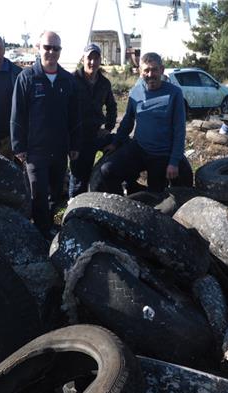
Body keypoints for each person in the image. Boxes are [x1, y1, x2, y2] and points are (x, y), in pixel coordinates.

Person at [11, 31, 81, 238]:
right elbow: (17, 115)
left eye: (55, 48)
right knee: (38, 194)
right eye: (47, 47)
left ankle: (50, 228)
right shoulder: (27, 78)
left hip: (59, 149)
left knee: (55, 192)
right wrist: (18, 146)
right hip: (35, 150)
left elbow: (75, 117)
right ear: (38, 48)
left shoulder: (67, 80)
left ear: (60, 51)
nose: (51, 52)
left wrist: (75, 145)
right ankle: (40, 232)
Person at [100, 52, 188, 193]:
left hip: (161, 154)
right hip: (139, 149)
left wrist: (174, 162)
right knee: (107, 170)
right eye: (146, 70)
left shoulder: (174, 93)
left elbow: (179, 130)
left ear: (162, 70)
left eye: (154, 69)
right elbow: (128, 121)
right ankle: (121, 206)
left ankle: (147, 200)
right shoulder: (135, 92)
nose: (150, 74)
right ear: (140, 72)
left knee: (155, 195)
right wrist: (115, 143)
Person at [69, 43, 117, 198]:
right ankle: (73, 208)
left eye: (96, 59)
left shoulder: (104, 83)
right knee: (78, 176)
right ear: (83, 59)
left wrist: (108, 128)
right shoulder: (72, 80)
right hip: (77, 135)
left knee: (122, 146)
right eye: (89, 58)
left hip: (96, 133)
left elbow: (112, 106)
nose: (92, 62)